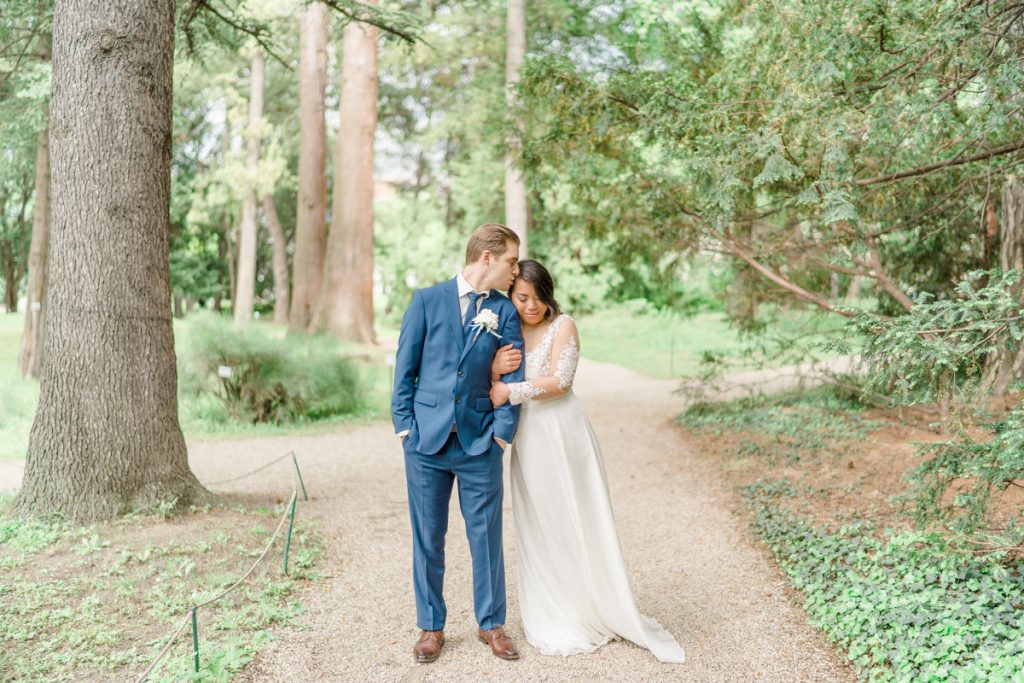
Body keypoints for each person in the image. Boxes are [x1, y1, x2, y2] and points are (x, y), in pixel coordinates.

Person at [489, 259, 686, 664]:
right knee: (541, 521)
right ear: (510, 296)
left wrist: (511, 392)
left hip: (564, 431)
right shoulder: (506, 332)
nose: (531, 305)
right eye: (522, 297)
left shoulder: (564, 326)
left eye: (538, 297)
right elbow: (486, 377)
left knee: (576, 516)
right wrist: (495, 372)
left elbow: (561, 383)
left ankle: (591, 605)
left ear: (549, 294)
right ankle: (554, 607)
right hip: (528, 439)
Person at [391, 223, 527, 664]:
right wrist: (406, 428)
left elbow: (514, 377)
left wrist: (501, 435)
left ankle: (492, 625)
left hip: (479, 443)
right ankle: (431, 627)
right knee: (428, 537)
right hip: (425, 445)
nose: (515, 269)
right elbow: (404, 370)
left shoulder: (504, 311)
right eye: (510, 261)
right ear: (486, 257)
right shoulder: (426, 301)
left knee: (486, 536)